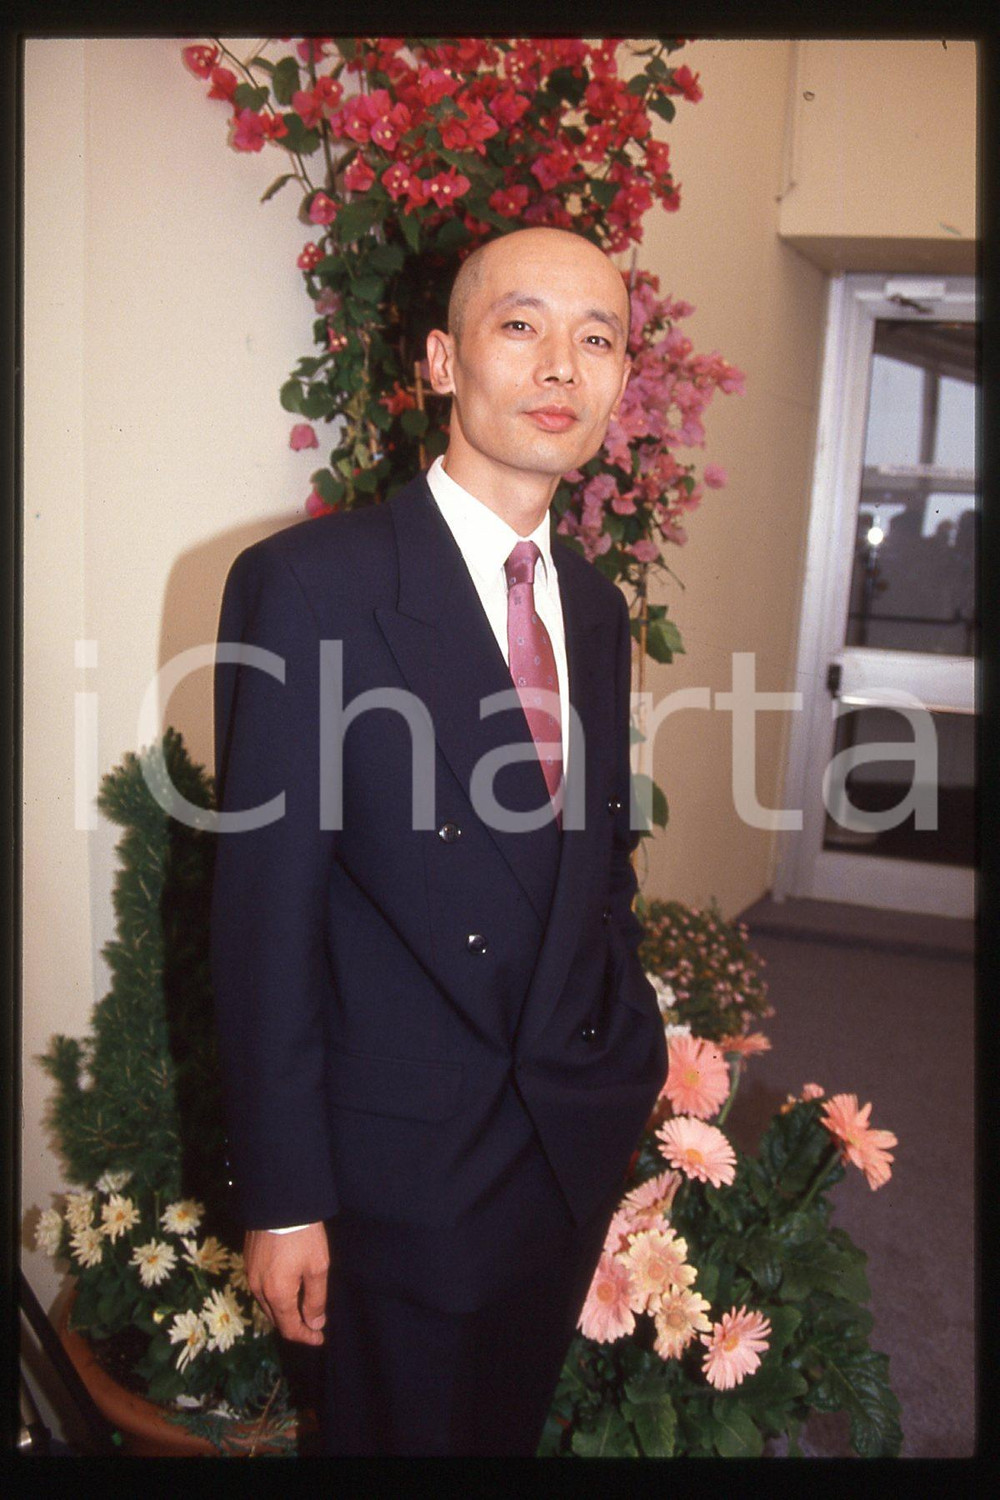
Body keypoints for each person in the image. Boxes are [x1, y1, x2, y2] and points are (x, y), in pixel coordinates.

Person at [210, 226, 669, 1456]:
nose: (560, 367)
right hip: (395, 1171)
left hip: (559, 1144)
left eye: (597, 338)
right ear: (440, 360)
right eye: (520, 326)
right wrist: (287, 1196)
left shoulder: (591, 603)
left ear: (623, 381)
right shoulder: (307, 587)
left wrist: (627, 1059)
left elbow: (596, 867)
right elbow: (264, 915)